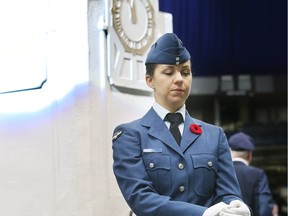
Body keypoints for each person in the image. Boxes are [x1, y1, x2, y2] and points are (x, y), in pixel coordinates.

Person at [112, 33, 251, 216]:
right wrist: (203, 214)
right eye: (169, 72)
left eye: (185, 72)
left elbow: (228, 194)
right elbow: (141, 199)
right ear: (149, 80)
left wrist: (238, 206)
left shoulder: (214, 136)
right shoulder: (131, 136)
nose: (179, 79)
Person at [228, 132, 276, 216]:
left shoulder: (219, 173)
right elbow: (264, 207)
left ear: (229, 152)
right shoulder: (258, 174)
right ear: (249, 155)